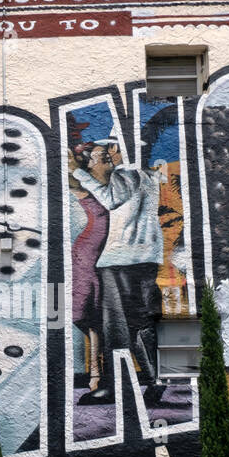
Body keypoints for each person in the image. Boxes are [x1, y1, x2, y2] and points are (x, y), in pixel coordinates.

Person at [71, 138, 165, 407]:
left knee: (117, 329)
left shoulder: (126, 173)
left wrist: (78, 173)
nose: (101, 156)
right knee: (142, 323)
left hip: (121, 259)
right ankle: (155, 380)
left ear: (117, 149)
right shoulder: (148, 174)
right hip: (145, 256)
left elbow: (111, 200)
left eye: (104, 151)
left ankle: (117, 387)